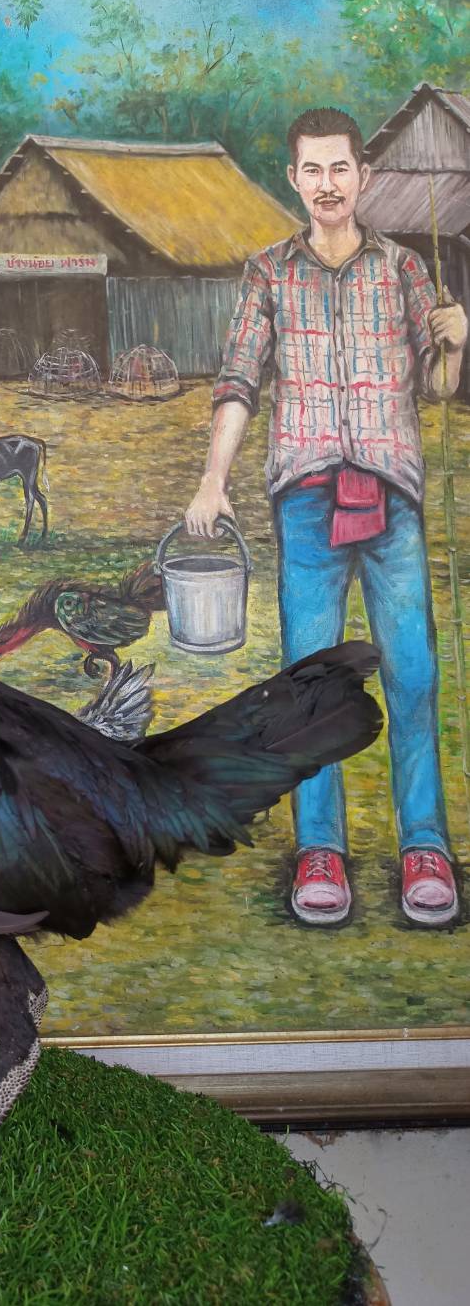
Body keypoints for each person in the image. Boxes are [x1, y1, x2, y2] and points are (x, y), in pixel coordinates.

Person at [185, 106, 467, 928]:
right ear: (293, 179)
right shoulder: (267, 274)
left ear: (363, 175)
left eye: (340, 167)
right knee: (311, 683)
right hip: (306, 501)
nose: (327, 184)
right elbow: (238, 382)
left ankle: (425, 846)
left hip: (392, 498)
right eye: (312, 169)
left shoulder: (407, 270)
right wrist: (212, 481)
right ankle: (320, 850)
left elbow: (439, 386)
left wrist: (457, 341)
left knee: (412, 672)